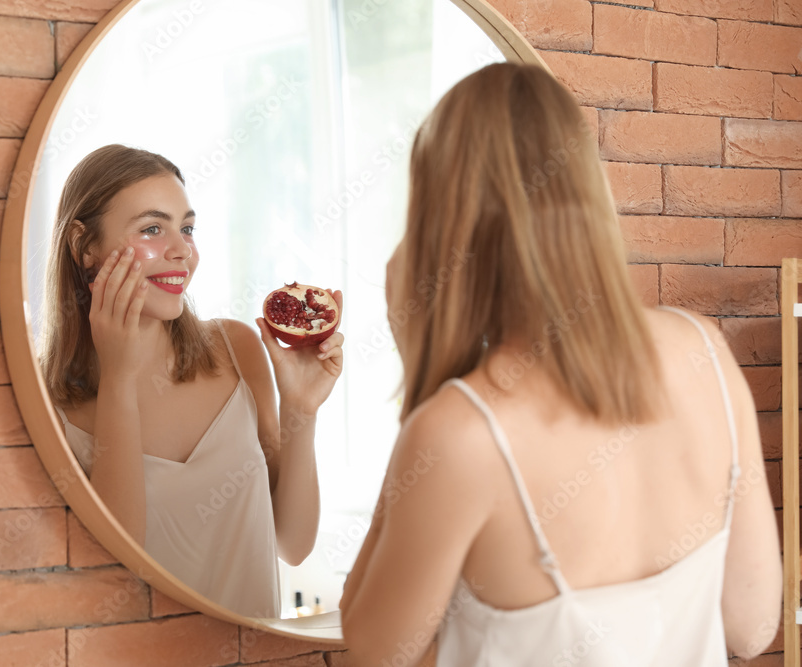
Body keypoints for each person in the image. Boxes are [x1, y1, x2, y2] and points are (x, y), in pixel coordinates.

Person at [339, 63, 781, 665]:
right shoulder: (704, 350)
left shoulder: (460, 431)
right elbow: (752, 628)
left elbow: (376, 653)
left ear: (442, 226)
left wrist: (421, 380)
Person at [38, 144, 345, 618]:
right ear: (85, 247)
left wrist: (301, 412)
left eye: (187, 228)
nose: (182, 250)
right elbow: (118, 564)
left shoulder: (235, 349)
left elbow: (294, 543)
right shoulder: (48, 404)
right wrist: (118, 379)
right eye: (152, 229)